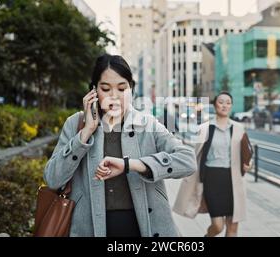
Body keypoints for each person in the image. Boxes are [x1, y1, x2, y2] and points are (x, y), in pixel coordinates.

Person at [43, 54, 196, 237]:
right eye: (106, 89)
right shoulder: (76, 124)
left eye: (122, 88)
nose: (114, 96)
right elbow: (52, 179)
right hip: (90, 227)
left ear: (131, 89)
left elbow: (188, 160)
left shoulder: (147, 124)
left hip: (144, 227)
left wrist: (131, 165)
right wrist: (84, 135)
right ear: (93, 91)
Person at [173, 91, 251, 237]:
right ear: (215, 105)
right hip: (212, 179)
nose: (225, 105)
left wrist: (248, 164)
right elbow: (197, 155)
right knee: (218, 226)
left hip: (233, 180)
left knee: (233, 227)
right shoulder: (205, 128)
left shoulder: (239, 128)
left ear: (231, 106)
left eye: (228, 102)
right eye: (221, 102)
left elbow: (246, 152)